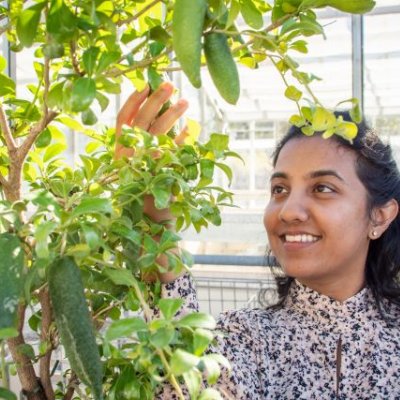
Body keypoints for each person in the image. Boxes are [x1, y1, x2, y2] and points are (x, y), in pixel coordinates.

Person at [115, 82, 400, 399]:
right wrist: (153, 213)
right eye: (280, 189)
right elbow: (179, 373)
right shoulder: (239, 339)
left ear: (380, 216)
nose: (289, 210)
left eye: (322, 188)